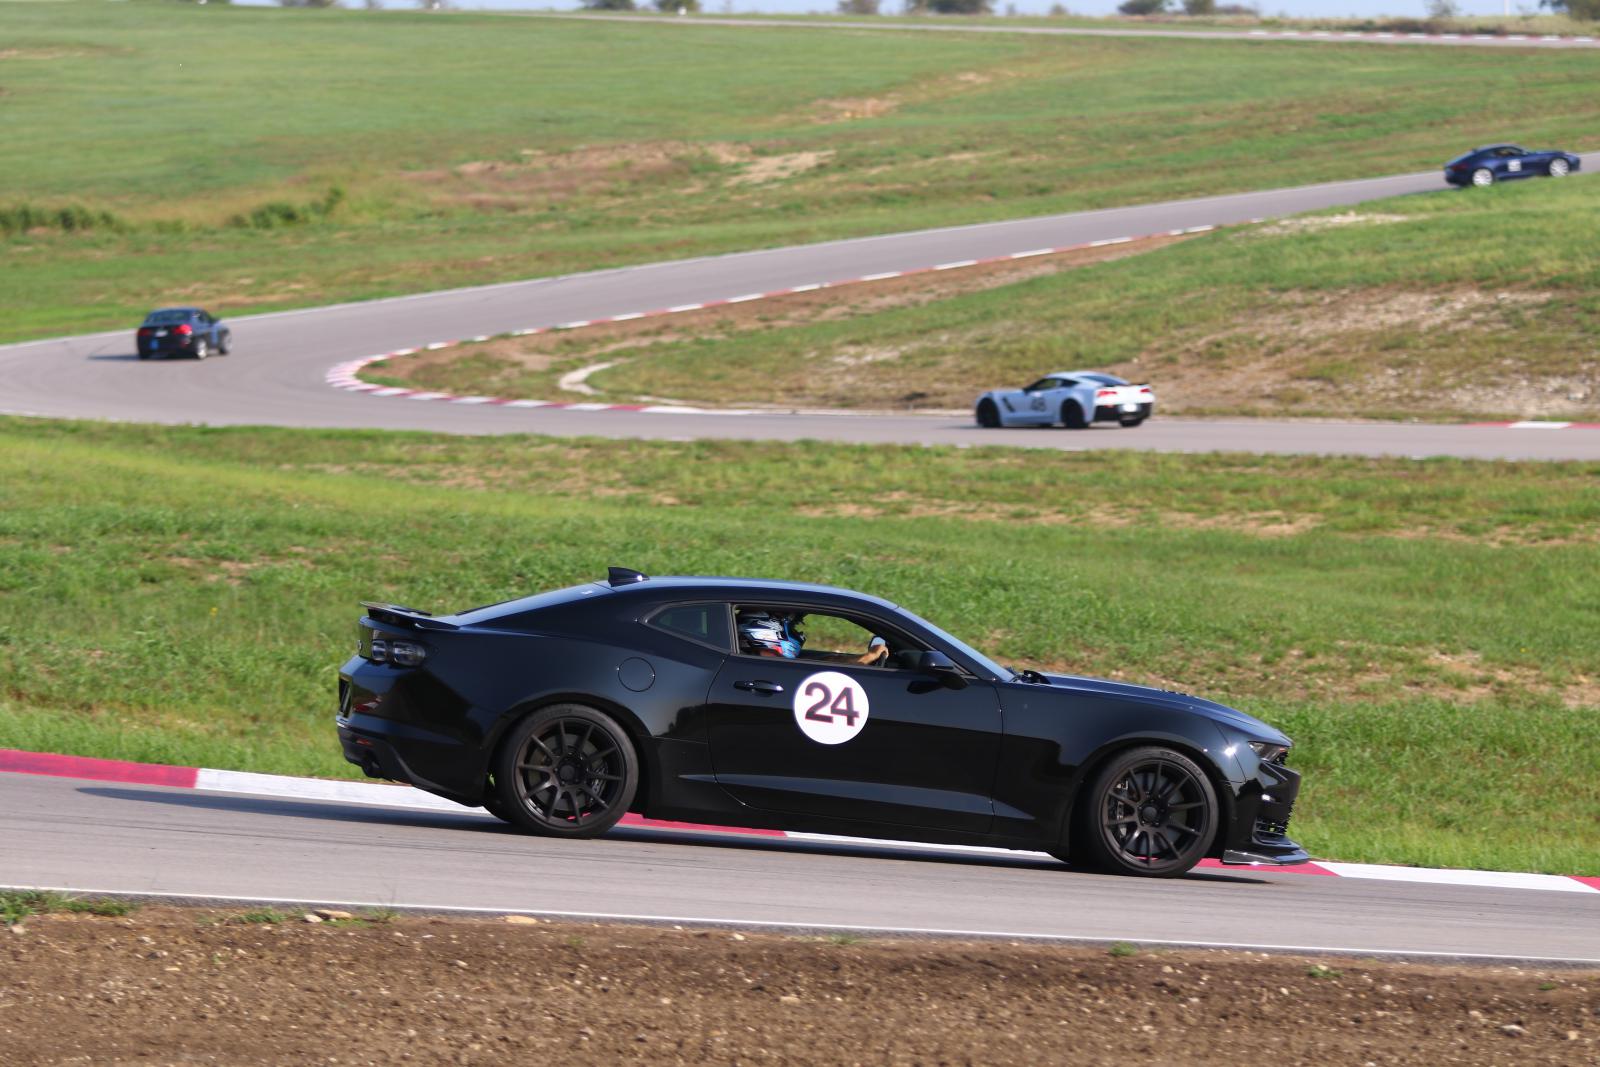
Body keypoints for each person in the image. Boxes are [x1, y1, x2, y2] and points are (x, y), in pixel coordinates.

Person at [737, 610, 888, 666]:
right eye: (792, 627)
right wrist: (869, 657)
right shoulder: (760, 668)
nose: (798, 633)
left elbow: (819, 663)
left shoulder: (758, 664)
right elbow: (825, 666)